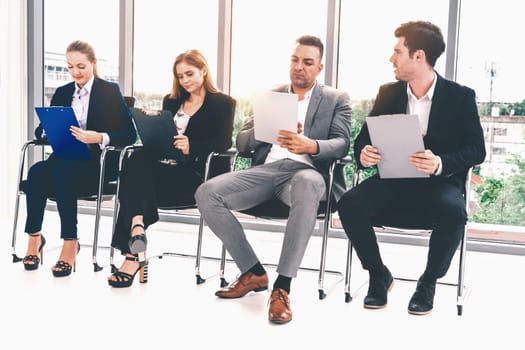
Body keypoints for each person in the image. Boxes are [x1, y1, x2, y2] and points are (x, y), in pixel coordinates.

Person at [195, 35, 351, 324]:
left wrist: (310, 145)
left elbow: (342, 144)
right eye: (295, 60)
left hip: (307, 173)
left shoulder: (335, 98)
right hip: (267, 171)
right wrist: (269, 127)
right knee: (206, 193)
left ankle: (282, 288)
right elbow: (242, 144)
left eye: (307, 62)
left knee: (306, 184)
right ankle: (253, 271)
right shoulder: (271, 95)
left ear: (319, 67)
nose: (299, 67)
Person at [337, 21, 486, 315]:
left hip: (438, 186)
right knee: (349, 203)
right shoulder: (388, 93)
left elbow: (476, 150)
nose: (391, 58)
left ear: (418, 56)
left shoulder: (460, 97)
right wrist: (363, 153)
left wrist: (441, 163)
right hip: (391, 182)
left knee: (455, 213)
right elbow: (363, 139)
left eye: (397, 51)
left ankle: (428, 281)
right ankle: (378, 274)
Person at [107, 49, 236, 288]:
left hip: (193, 176)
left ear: (203, 70)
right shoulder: (172, 100)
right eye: (180, 76)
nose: (185, 80)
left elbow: (225, 142)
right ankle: (136, 228)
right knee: (137, 156)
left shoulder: (223, 103)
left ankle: (133, 253)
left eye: (189, 74)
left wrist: (192, 147)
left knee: (133, 181)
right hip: (163, 170)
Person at [22, 40, 137, 277]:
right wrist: (46, 130)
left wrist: (98, 137)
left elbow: (129, 135)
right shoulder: (63, 92)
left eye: (81, 66)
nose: (76, 72)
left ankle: (70, 243)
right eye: (70, 67)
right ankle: (34, 239)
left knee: (62, 173)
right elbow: (42, 130)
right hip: (64, 158)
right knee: (36, 172)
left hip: (97, 164)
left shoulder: (109, 91)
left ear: (93, 64)